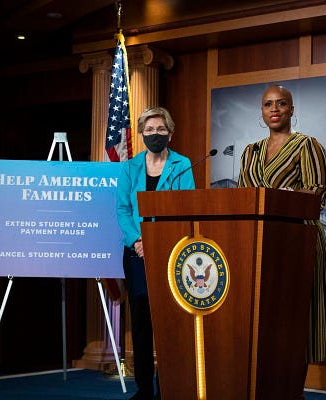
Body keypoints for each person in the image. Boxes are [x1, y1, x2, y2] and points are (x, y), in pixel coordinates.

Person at [238, 84, 326, 383]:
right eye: (268, 104)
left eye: (281, 104)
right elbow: (243, 196)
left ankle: (294, 389)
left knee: (296, 321)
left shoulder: (308, 145)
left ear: (292, 110)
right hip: (258, 243)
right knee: (262, 320)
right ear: (262, 112)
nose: (274, 109)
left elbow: (317, 193)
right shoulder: (250, 152)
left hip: (297, 241)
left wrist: (280, 195)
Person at [117, 107, 195, 400]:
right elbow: (123, 209)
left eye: (160, 129)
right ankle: (144, 389)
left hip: (171, 253)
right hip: (137, 254)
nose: (155, 134)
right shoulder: (130, 168)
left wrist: (160, 241)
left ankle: (169, 386)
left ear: (170, 133)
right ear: (141, 134)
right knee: (141, 323)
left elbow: (187, 208)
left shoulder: (182, 165)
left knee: (169, 324)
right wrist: (138, 240)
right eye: (149, 130)